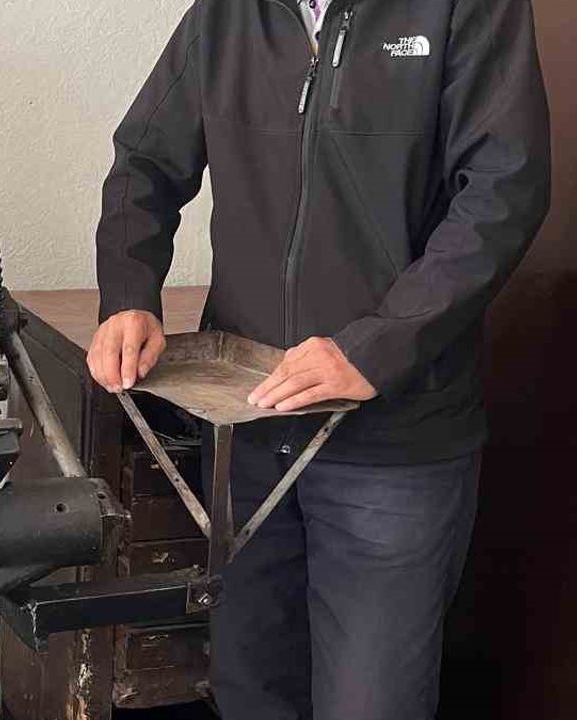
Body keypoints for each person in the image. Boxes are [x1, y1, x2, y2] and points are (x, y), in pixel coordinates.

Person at [86, 0, 550, 717]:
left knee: (372, 704)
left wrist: (377, 348)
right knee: (250, 693)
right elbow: (144, 161)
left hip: (395, 444)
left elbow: (502, 192)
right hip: (247, 431)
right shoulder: (225, 14)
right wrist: (128, 294)